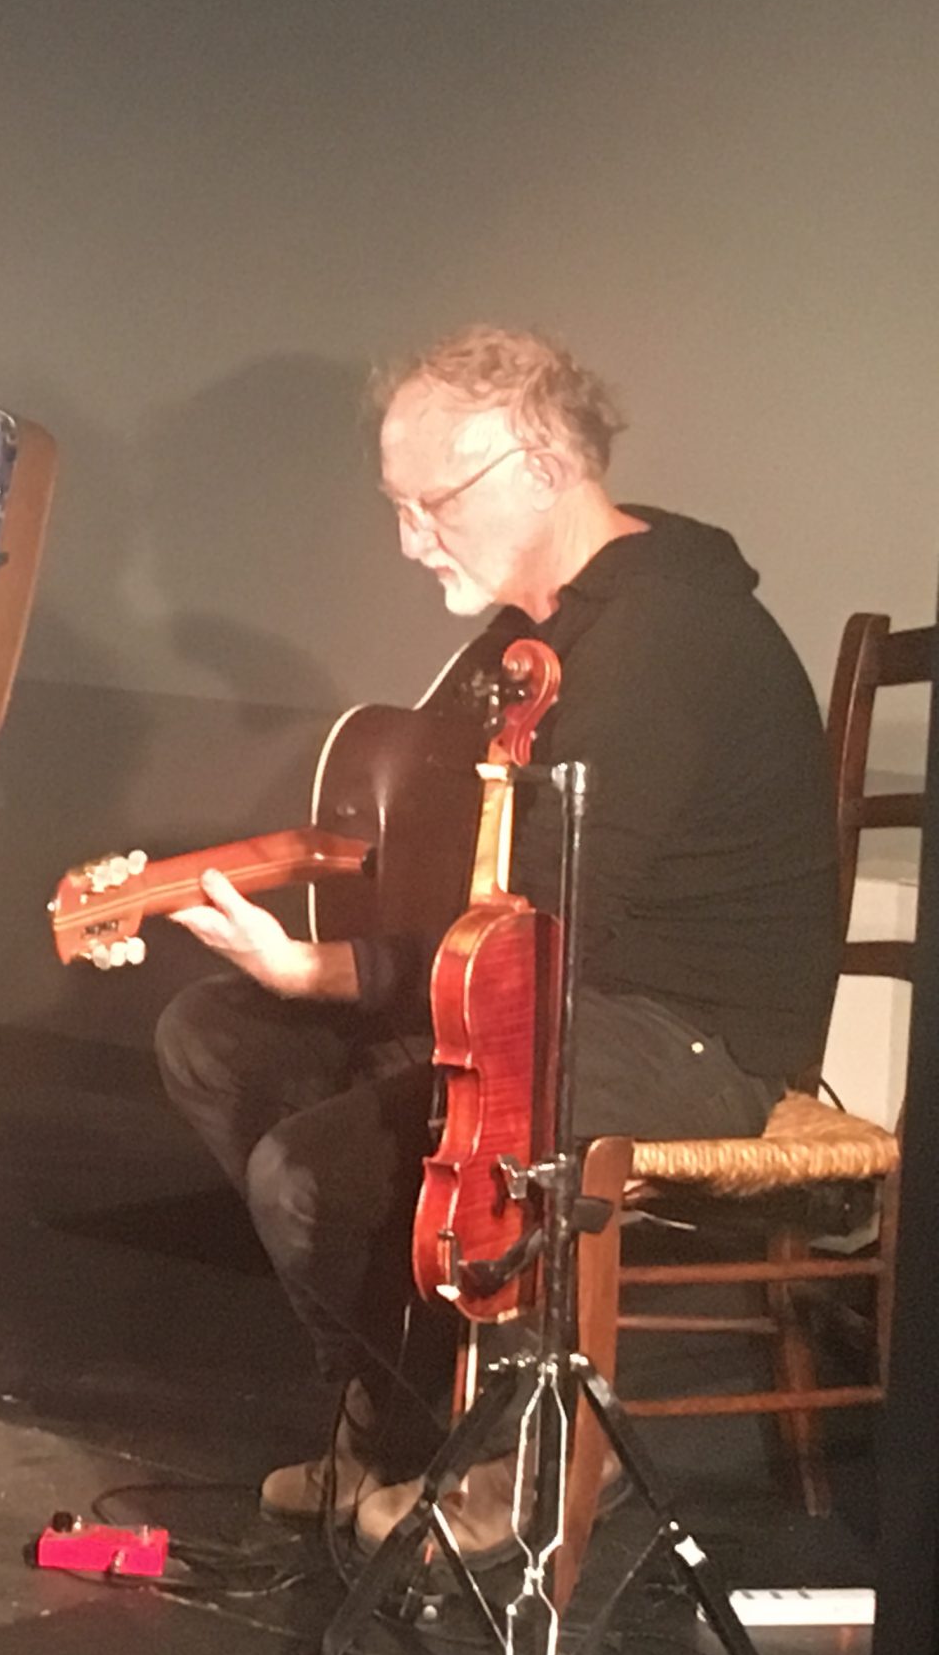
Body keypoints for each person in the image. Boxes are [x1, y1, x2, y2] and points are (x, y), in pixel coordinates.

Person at [154, 325, 840, 1553]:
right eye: (396, 506)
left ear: (539, 465)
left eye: (431, 503)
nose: (409, 538)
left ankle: (519, 1454)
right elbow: (465, 877)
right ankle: (394, 1412)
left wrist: (323, 970)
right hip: (543, 986)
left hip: (681, 1032)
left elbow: (555, 925)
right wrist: (300, 950)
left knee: (313, 1169)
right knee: (213, 1035)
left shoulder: (663, 634)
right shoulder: (529, 633)